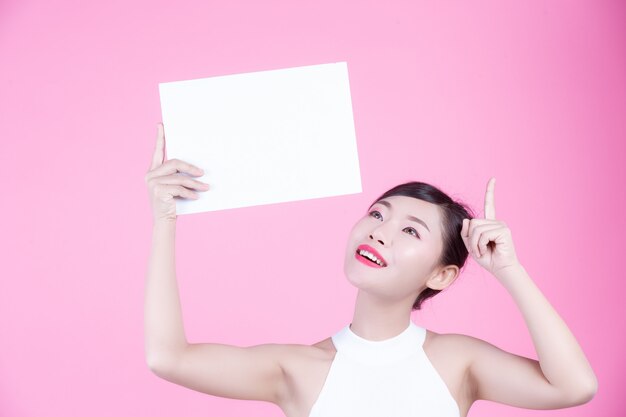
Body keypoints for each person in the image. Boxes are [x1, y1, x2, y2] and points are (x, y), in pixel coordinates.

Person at [144, 123, 597, 417]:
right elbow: (168, 358)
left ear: (440, 276)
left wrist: (510, 270)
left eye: (411, 231)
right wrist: (164, 219)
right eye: (378, 215)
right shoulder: (297, 368)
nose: (380, 232)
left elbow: (574, 387)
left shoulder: (459, 361)